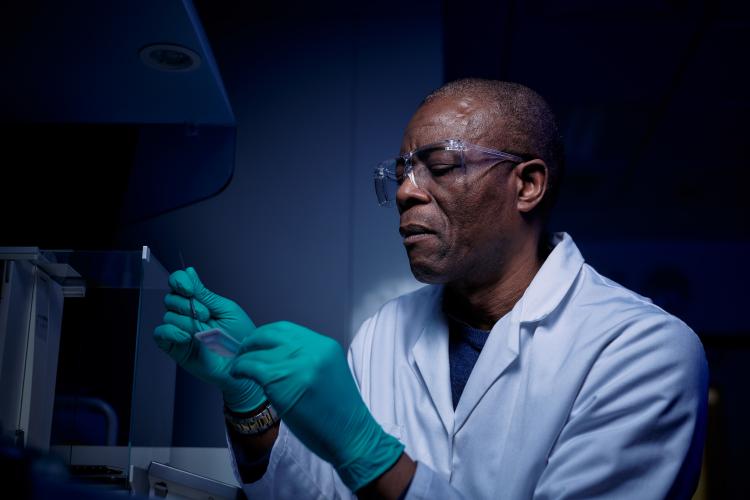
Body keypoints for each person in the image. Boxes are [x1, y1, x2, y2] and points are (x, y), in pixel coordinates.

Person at [154, 79, 708, 499]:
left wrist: (370, 456)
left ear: (528, 185)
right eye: (399, 172)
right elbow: (319, 495)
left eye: (440, 165)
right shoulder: (385, 332)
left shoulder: (643, 349)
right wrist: (250, 402)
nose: (405, 193)